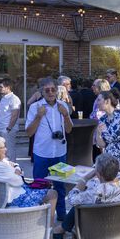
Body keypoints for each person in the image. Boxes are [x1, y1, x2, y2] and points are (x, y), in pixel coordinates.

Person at [52, 153, 120, 239]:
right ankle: (62, 228)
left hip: (95, 228)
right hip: (118, 227)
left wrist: (84, 179)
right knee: (84, 200)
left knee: (79, 204)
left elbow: (72, 199)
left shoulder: (94, 193)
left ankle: (62, 228)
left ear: (98, 174)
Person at [25, 77, 73, 221]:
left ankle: (61, 216)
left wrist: (65, 114)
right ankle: (39, 216)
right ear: (42, 92)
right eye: (47, 90)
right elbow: (29, 133)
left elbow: (69, 130)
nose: (51, 92)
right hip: (42, 153)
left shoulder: (63, 105)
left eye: (53, 89)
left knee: (60, 187)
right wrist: (39, 117)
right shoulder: (35, 107)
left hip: (59, 153)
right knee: (39, 187)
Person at [0, 135, 58, 225]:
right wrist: (17, 170)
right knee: (53, 194)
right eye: (3, 147)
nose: (6, 149)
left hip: (19, 192)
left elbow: (15, 165)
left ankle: (45, 222)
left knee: (47, 187)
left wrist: (16, 169)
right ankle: (50, 226)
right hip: (18, 199)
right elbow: (19, 181)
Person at [0, 78, 21, 163]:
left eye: (1, 87)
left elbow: (15, 115)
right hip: (0, 128)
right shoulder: (3, 98)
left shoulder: (14, 99)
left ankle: (13, 171)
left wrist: (9, 128)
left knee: (10, 152)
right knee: (0, 152)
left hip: (8, 130)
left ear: (8, 87)